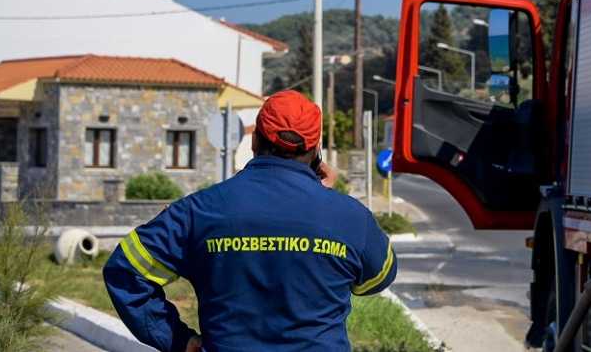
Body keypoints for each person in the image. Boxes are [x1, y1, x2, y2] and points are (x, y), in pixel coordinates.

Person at [102, 90, 397, 352]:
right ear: (316, 152)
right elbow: (379, 276)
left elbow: (125, 271)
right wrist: (324, 201)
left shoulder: (199, 210)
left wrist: (177, 339)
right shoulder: (348, 216)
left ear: (255, 140)